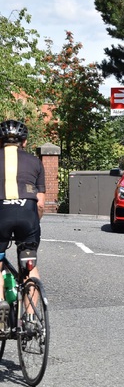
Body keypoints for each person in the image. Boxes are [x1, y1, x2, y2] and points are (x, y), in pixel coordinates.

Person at [0, 120, 46, 332]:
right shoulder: (35, 162)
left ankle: (1, 313)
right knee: (29, 265)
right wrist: (33, 223)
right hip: (27, 213)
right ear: (24, 142)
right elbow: (42, 203)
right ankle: (29, 319)